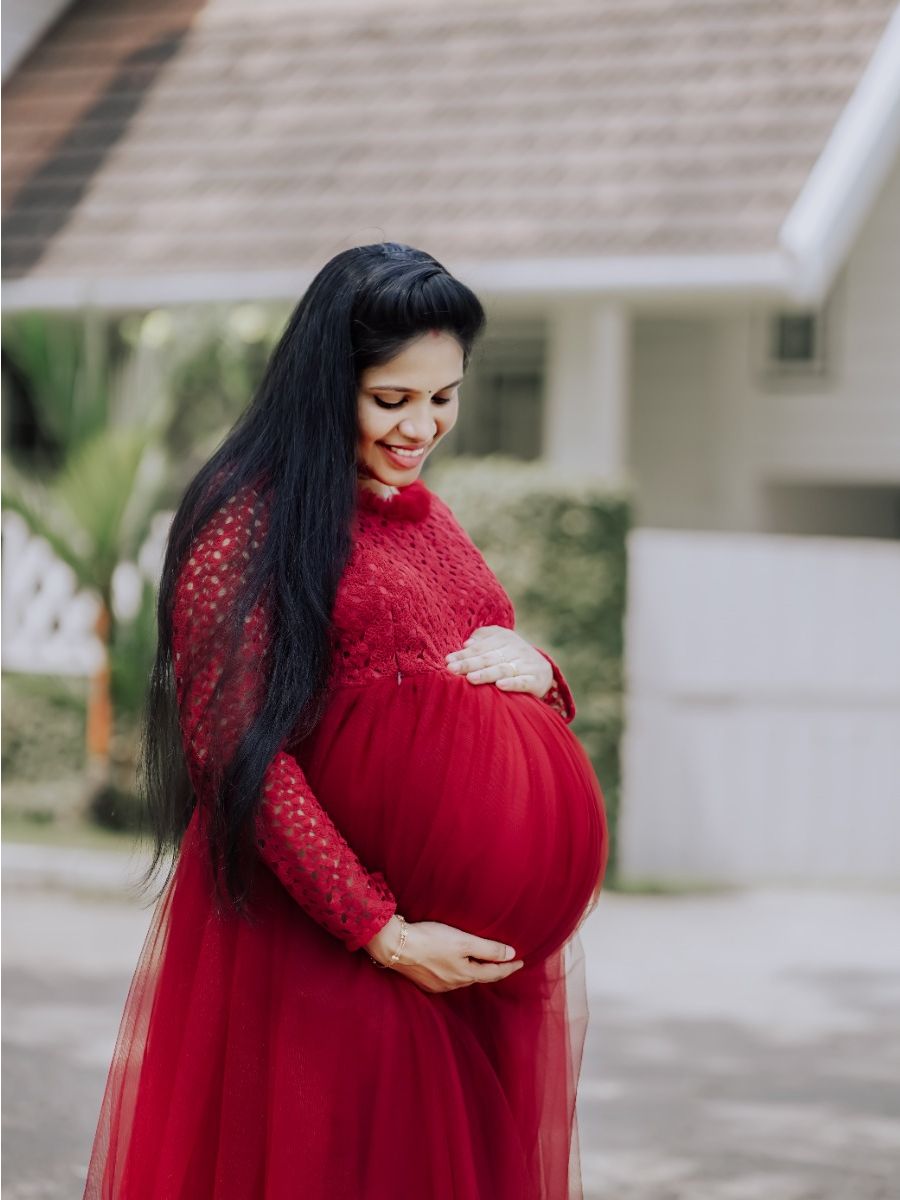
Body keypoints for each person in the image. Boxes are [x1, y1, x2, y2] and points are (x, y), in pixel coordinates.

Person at [82, 242, 609, 1199]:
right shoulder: (245, 523)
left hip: (461, 966)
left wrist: (542, 671)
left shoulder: (422, 513)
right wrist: (384, 931)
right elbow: (236, 751)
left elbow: (480, 647)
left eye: (443, 396)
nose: (423, 426)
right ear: (329, 382)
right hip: (324, 938)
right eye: (392, 399)